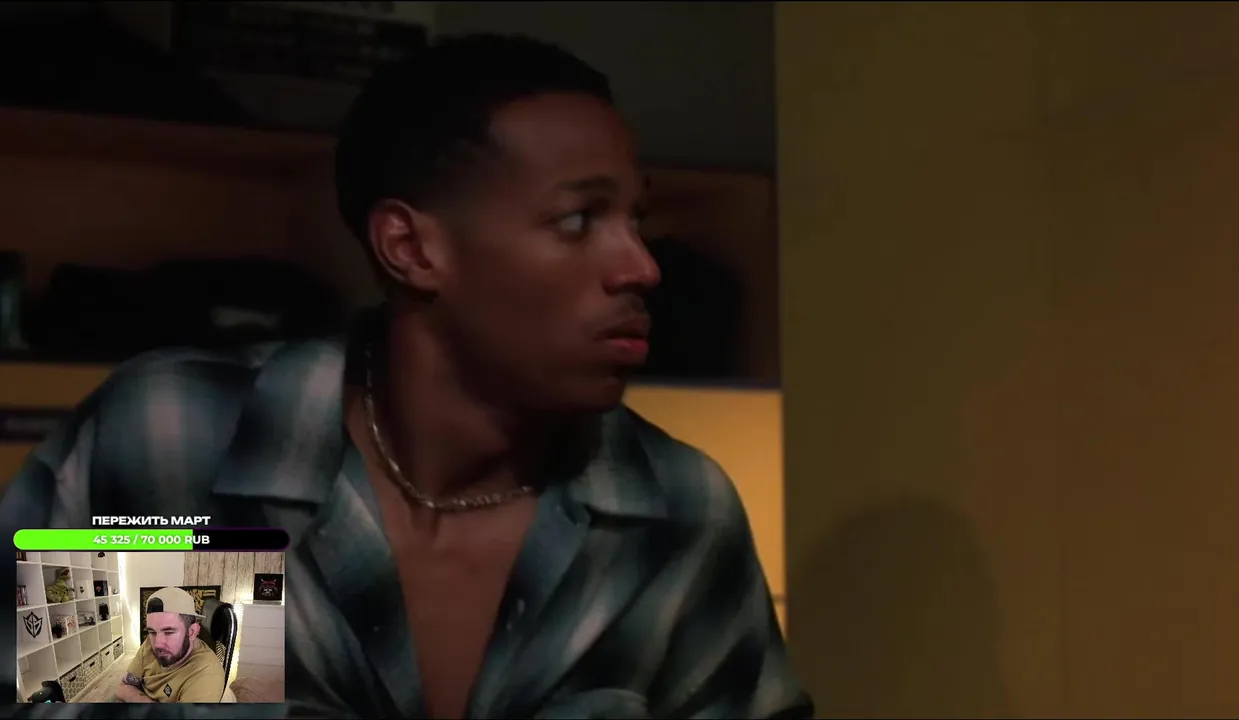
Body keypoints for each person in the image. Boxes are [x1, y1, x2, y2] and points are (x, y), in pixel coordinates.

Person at [2, 34, 813, 718]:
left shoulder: (674, 512)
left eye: (636, 219)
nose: (641, 266)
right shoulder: (184, 442)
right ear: (412, 248)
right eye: (578, 220)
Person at [114, 588, 225, 704]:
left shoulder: (206, 675)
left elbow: (127, 691)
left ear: (192, 632)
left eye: (168, 632)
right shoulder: (149, 642)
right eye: (152, 632)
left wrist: (134, 696)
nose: (157, 644)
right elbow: (122, 689)